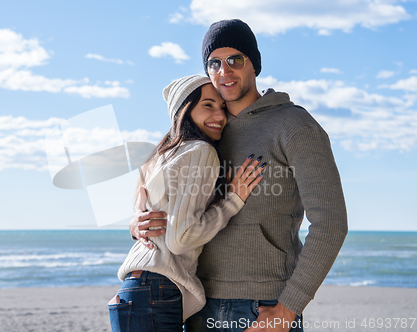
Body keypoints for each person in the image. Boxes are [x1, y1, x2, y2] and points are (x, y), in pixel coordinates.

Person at [130, 19, 348, 332]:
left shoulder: (294, 126)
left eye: (235, 59)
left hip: (262, 306)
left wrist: (287, 309)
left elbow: (331, 223)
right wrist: (136, 226)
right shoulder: (204, 134)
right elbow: (166, 203)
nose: (224, 71)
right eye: (214, 63)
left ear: (254, 64)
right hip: (197, 304)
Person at [108, 74, 266, 332]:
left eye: (222, 107)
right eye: (208, 105)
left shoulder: (159, 157)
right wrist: (233, 200)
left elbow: (145, 217)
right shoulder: (201, 151)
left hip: (135, 289)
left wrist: (134, 226)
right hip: (156, 291)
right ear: (184, 109)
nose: (220, 116)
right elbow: (180, 239)